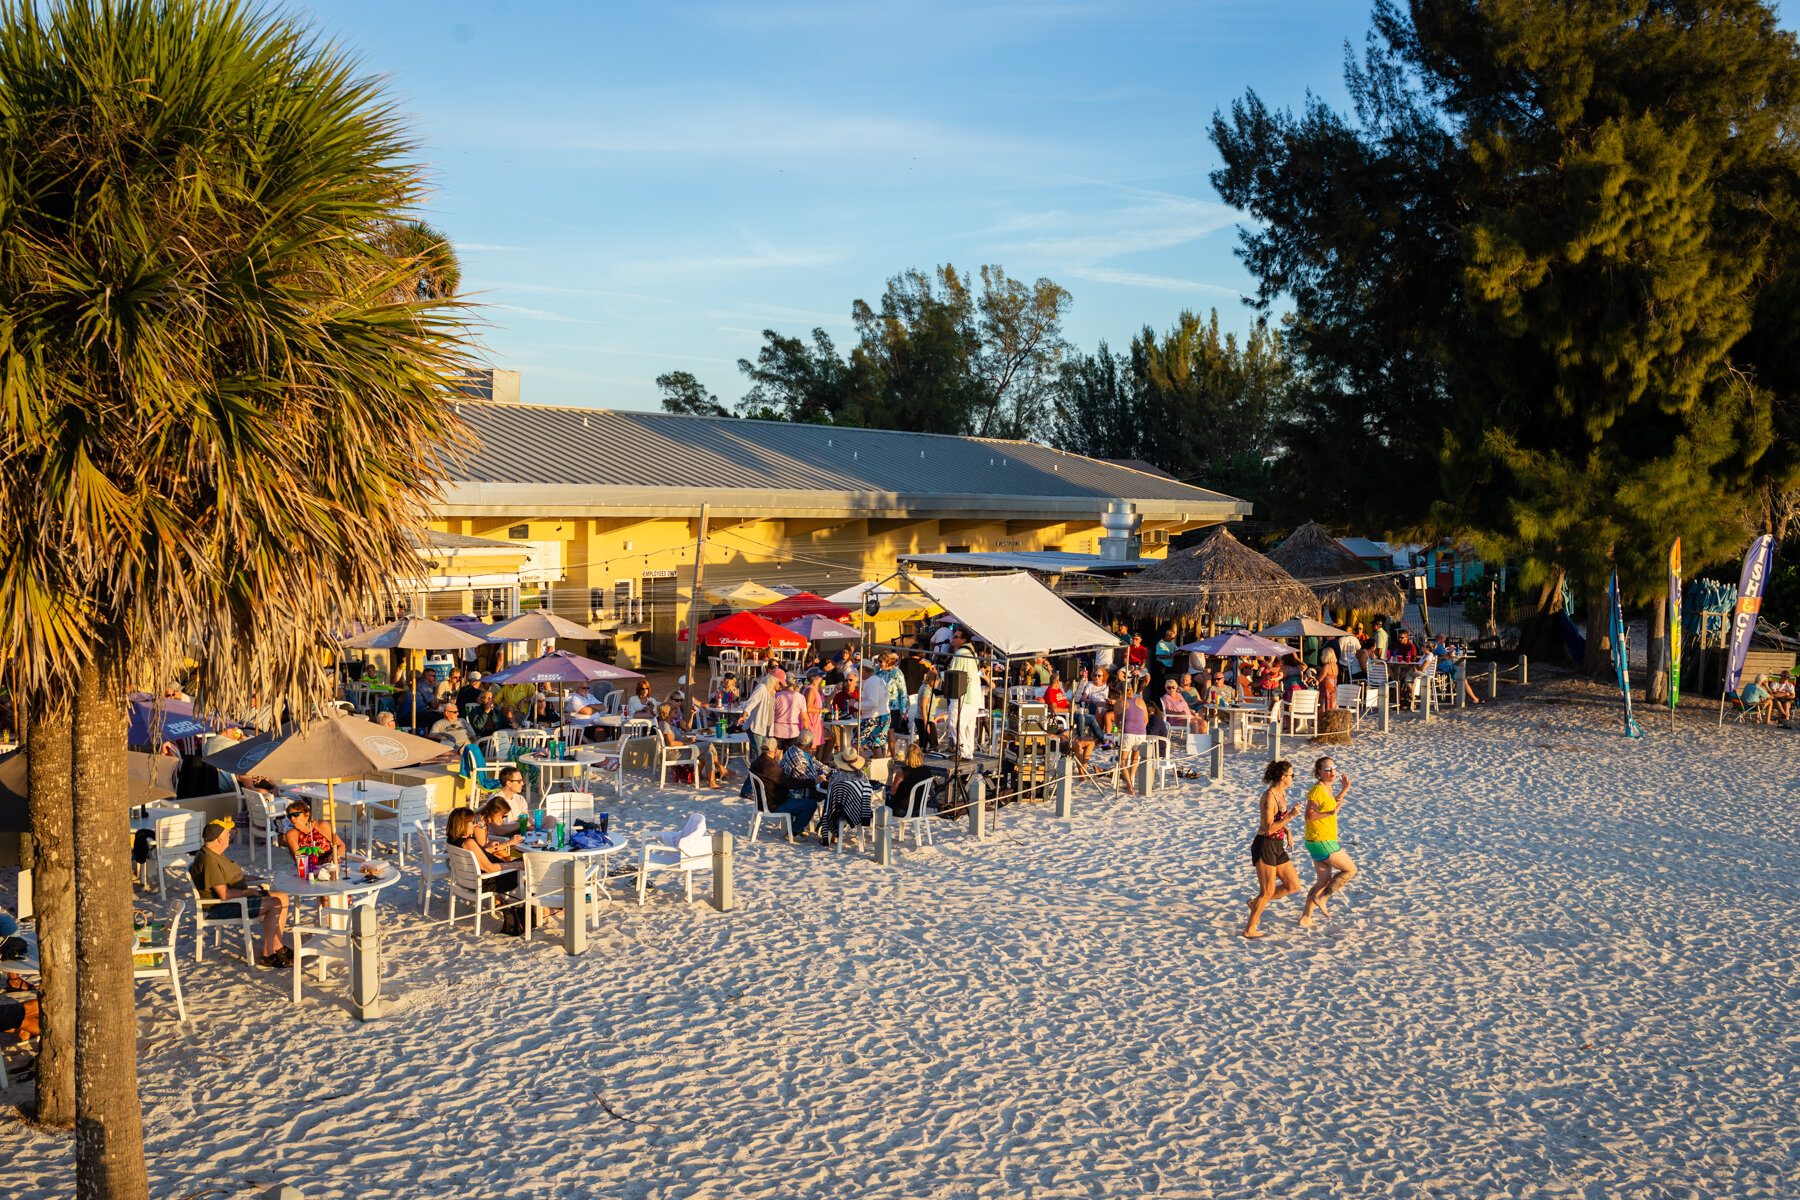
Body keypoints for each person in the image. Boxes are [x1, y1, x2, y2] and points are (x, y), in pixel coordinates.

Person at [191, 820, 291, 966]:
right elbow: (224, 894)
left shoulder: (214, 853)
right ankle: (268, 954)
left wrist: (254, 879)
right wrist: (249, 891)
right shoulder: (209, 860)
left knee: (282, 897)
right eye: (227, 833)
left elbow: (228, 877)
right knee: (275, 904)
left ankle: (278, 945)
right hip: (223, 907)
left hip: (234, 900)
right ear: (220, 838)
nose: (229, 836)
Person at [1242, 761, 1304, 939]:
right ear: (1283, 777)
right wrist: (1291, 816)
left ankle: (1254, 903)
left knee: (1293, 885)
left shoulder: (1281, 793)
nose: (1294, 778)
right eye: (1292, 775)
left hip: (1277, 845)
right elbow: (1268, 827)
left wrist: (1287, 830)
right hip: (1265, 845)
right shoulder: (1269, 797)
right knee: (1267, 891)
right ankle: (1249, 929)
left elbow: (1278, 822)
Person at [444, 806, 523, 933]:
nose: (474, 825)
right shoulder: (469, 842)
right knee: (527, 865)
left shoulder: (453, 840)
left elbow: (477, 856)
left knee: (520, 863)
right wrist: (516, 865)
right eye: (471, 822)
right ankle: (540, 908)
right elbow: (489, 868)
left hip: (467, 880)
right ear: (463, 824)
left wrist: (488, 849)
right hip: (489, 881)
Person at [1300, 757, 1357, 927]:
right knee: (1350, 869)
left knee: (1322, 882)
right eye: (1327, 769)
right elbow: (1309, 816)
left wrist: (1344, 790)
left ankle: (1305, 918)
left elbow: (1332, 806)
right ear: (1319, 772)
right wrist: (1330, 813)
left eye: (1334, 768)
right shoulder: (1317, 790)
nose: (1332, 772)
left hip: (1317, 841)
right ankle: (1322, 898)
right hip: (1321, 840)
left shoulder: (1327, 788)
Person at [658, 701, 730, 788]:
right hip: (676, 754)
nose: (675, 712)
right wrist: (687, 742)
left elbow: (677, 737)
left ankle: (711, 782)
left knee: (708, 754)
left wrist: (687, 739)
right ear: (668, 713)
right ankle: (721, 769)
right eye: (673, 710)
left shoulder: (666, 724)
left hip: (681, 750)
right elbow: (671, 743)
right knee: (709, 744)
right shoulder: (666, 725)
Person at [822, 746, 873, 846]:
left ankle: (832, 835)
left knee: (834, 805)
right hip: (858, 810)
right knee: (848, 803)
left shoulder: (836, 776)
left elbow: (831, 794)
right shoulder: (862, 776)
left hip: (840, 811)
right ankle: (835, 835)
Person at [946, 628, 985, 756]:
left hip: (962, 694)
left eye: (955, 637)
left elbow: (954, 675)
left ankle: (963, 752)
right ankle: (969, 751)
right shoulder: (971, 652)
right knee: (968, 725)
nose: (952, 639)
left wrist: (939, 674)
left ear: (963, 640)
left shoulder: (961, 653)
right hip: (973, 694)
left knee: (955, 724)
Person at [738, 668, 782, 759]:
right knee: (760, 754)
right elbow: (751, 702)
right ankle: (756, 773)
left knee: (766, 754)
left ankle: (760, 772)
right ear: (774, 681)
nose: (781, 686)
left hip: (766, 728)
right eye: (780, 683)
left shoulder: (773, 692)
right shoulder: (762, 688)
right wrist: (744, 715)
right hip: (757, 727)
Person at [886, 742, 937, 818]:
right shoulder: (926, 770)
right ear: (920, 755)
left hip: (903, 810)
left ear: (907, 756)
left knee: (887, 789)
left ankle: (886, 820)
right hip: (919, 809)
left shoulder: (902, 771)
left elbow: (893, 792)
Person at [858, 656, 893, 756]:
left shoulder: (870, 682)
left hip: (874, 717)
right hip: (884, 716)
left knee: (856, 742)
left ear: (864, 669)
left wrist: (856, 704)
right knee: (877, 744)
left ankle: (862, 766)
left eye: (859, 669)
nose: (858, 671)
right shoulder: (878, 679)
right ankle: (880, 768)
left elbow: (873, 703)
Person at [1117, 689, 1148, 795]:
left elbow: (1117, 722)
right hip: (1141, 734)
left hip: (1128, 733)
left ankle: (1130, 786)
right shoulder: (1141, 701)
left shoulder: (1119, 703)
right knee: (1135, 758)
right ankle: (1130, 781)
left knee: (1122, 761)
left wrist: (1122, 728)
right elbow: (1146, 719)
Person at [484, 766, 531, 834]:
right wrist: (521, 825)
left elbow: (527, 820)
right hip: (502, 838)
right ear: (508, 783)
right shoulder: (495, 801)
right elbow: (498, 830)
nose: (522, 783)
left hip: (519, 833)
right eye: (519, 781)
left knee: (550, 819)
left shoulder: (520, 799)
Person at [771, 676, 805, 742]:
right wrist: (806, 732)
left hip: (777, 730)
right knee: (791, 751)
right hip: (793, 730)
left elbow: (772, 713)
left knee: (778, 752)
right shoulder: (800, 697)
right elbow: (804, 718)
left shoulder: (776, 696)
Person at [1317, 647, 1340, 712]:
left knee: (1324, 708)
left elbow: (1320, 679)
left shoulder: (1326, 666)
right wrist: (1321, 669)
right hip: (1333, 690)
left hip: (1326, 691)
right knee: (1332, 708)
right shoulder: (1335, 665)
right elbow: (1330, 676)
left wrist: (1314, 675)